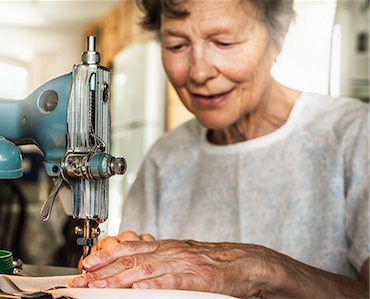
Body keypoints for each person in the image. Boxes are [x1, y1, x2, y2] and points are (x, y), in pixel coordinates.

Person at [68, 0, 369, 297]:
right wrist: (125, 262)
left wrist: (264, 268)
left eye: (224, 43)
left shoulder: (354, 135)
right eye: (176, 45)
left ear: (278, 38)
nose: (199, 72)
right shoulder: (165, 158)